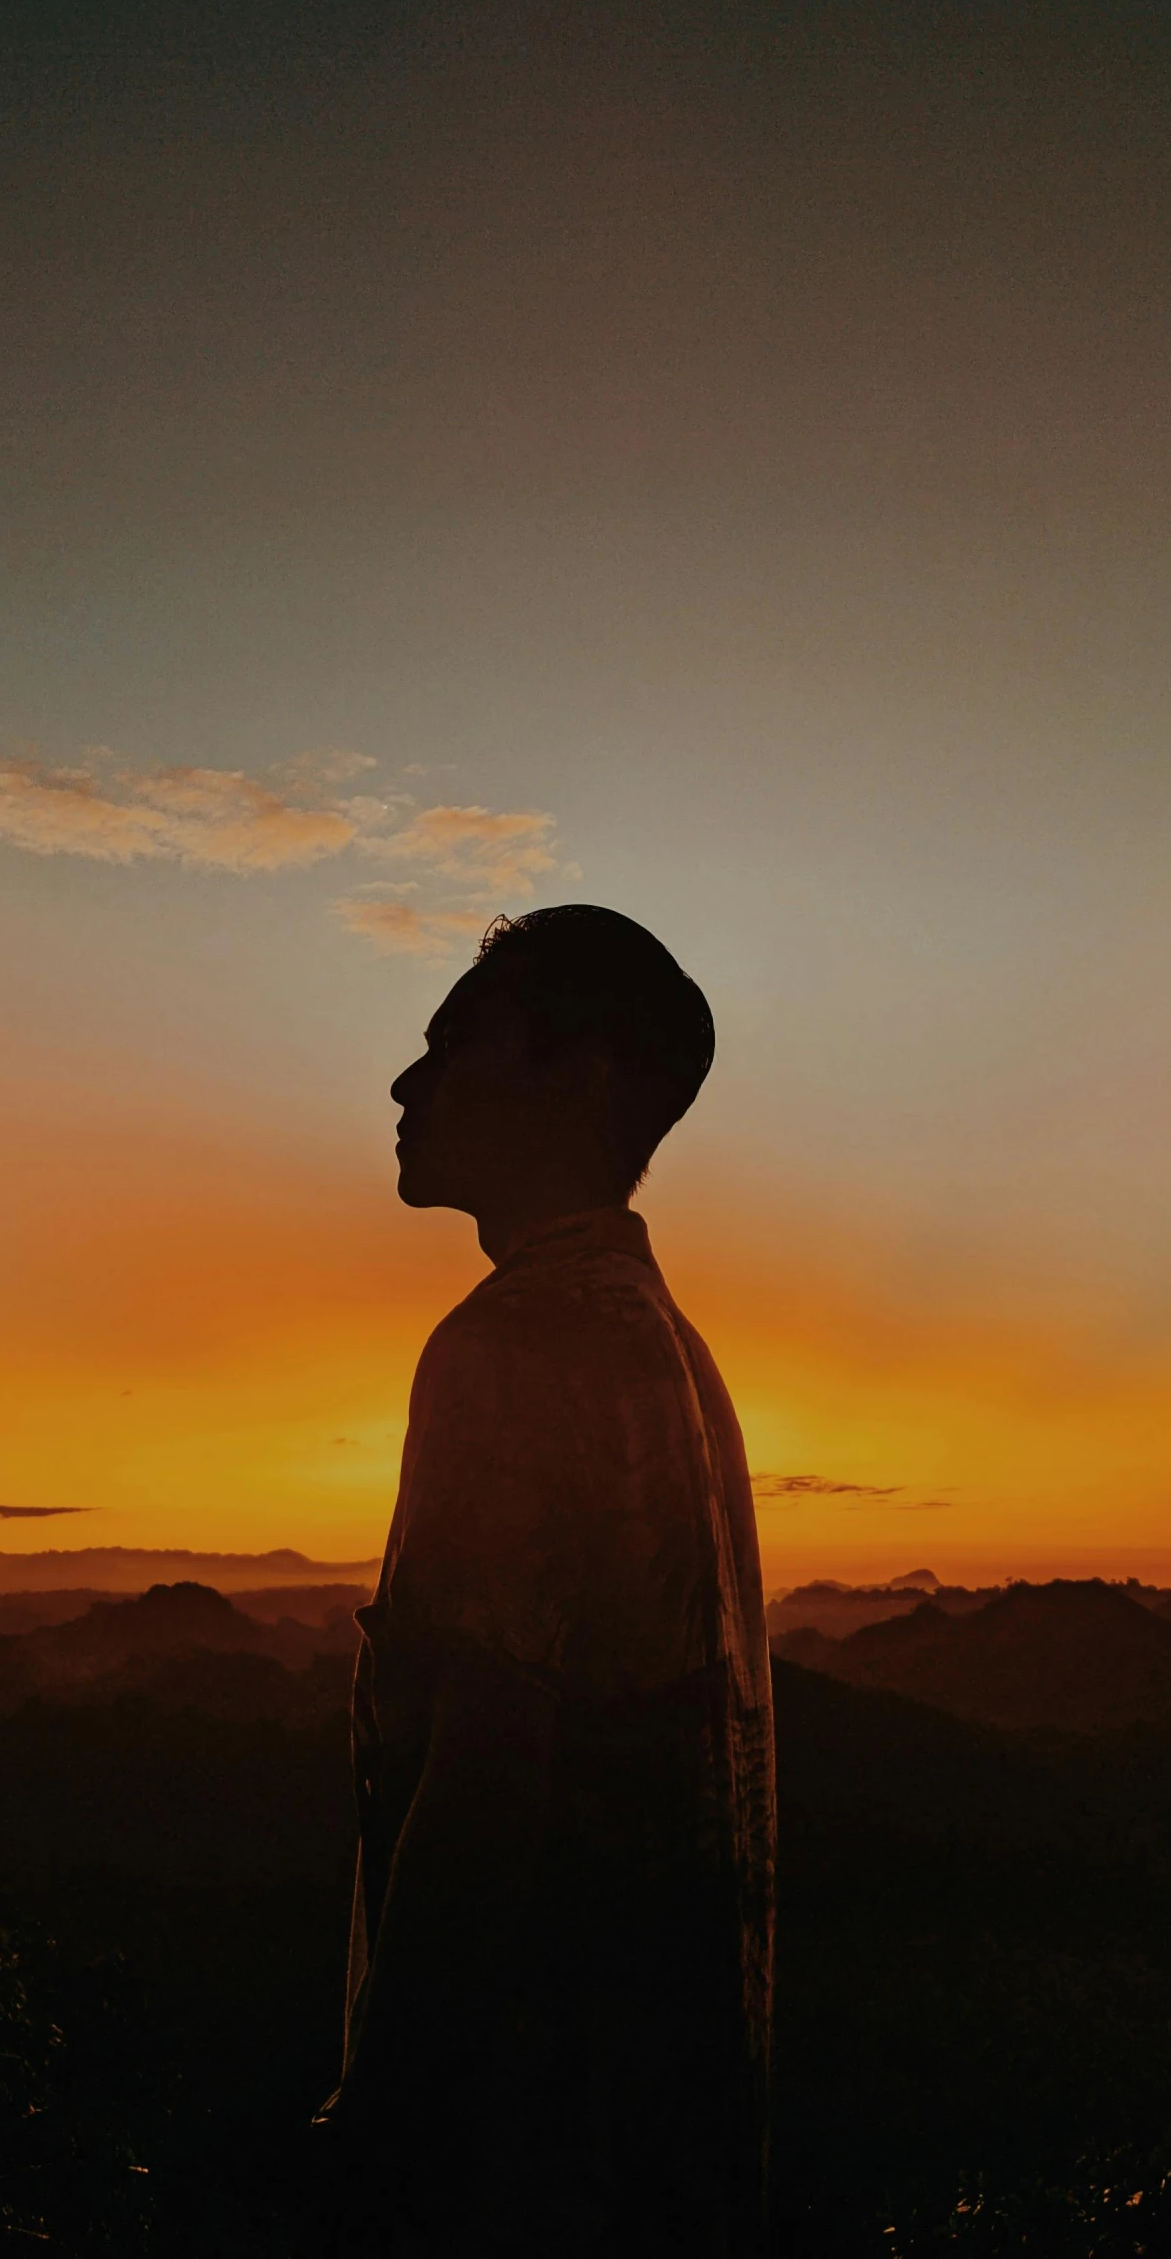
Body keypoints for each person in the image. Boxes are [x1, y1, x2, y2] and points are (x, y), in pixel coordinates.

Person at [315, 905, 775, 2257]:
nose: (407, 1084)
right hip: (653, 2155)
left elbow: (488, 1768)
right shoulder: (668, 1349)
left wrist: (380, 2119)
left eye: (454, 1045)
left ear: (575, 1082)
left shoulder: (512, 1342)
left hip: (512, 2155)